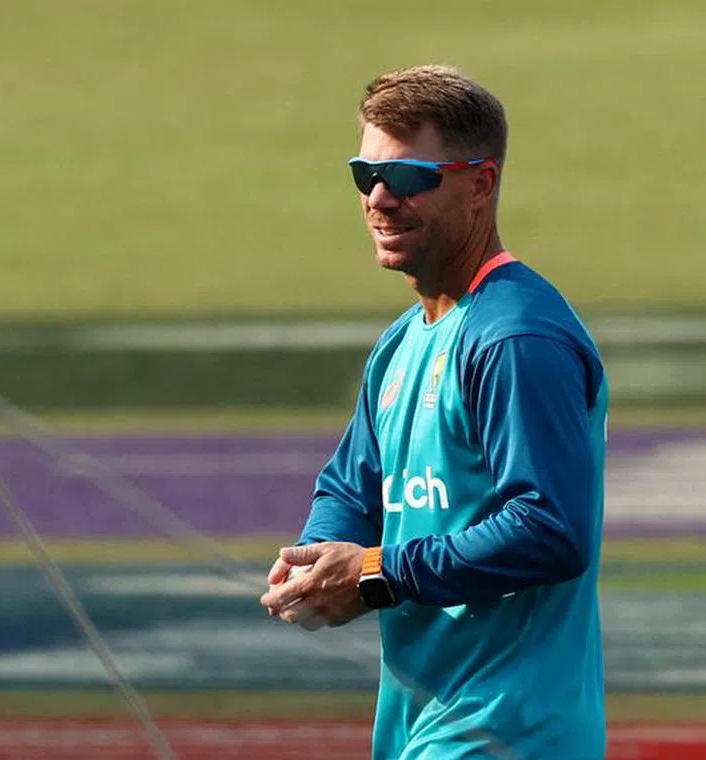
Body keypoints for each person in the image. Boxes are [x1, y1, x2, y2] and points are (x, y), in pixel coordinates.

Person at [259, 64, 608, 760]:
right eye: (366, 176)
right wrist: (319, 556)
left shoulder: (517, 338)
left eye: (410, 178)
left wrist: (374, 573)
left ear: (479, 185)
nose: (380, 200)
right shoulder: (402, 342)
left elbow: (548, 529)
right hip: (422, 725)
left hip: (507, 733)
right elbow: (352, 487)